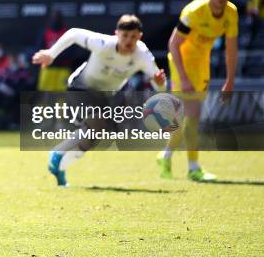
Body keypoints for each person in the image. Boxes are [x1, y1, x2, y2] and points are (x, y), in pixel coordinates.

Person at [32, 15, 166, 186]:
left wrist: (160, 83)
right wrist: (51, 54)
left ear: (139, 37)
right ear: (116, 34)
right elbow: (73, 33)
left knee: (92, 138)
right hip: (80, 86)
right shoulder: (103, 44)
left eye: (133, 37)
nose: (128, 41)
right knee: (98, 125)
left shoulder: (143, 55)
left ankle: (59, 167)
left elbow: (159, 85)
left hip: (104, 96)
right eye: (124, 36)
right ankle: (57, 153)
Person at [159, 0, 238, 182]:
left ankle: (166, 156)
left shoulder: (232, 13)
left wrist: (230, 80)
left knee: (189, 117)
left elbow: (231, 49)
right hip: (180, 61)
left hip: (202, 63)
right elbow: (174, 44)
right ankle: (193, 167)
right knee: (190, 115)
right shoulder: (194, 12)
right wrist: (183, 78)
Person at [36, 11, 74, 91]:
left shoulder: (67, 33)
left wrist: (55, 56)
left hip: (63, 68)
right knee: (45, 95)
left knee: (62, 96)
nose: (55, 20)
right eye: (54, 18)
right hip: (48, 68)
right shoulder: (46, 32)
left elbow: (71, 52)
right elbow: (39, 49)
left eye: (57, 18)